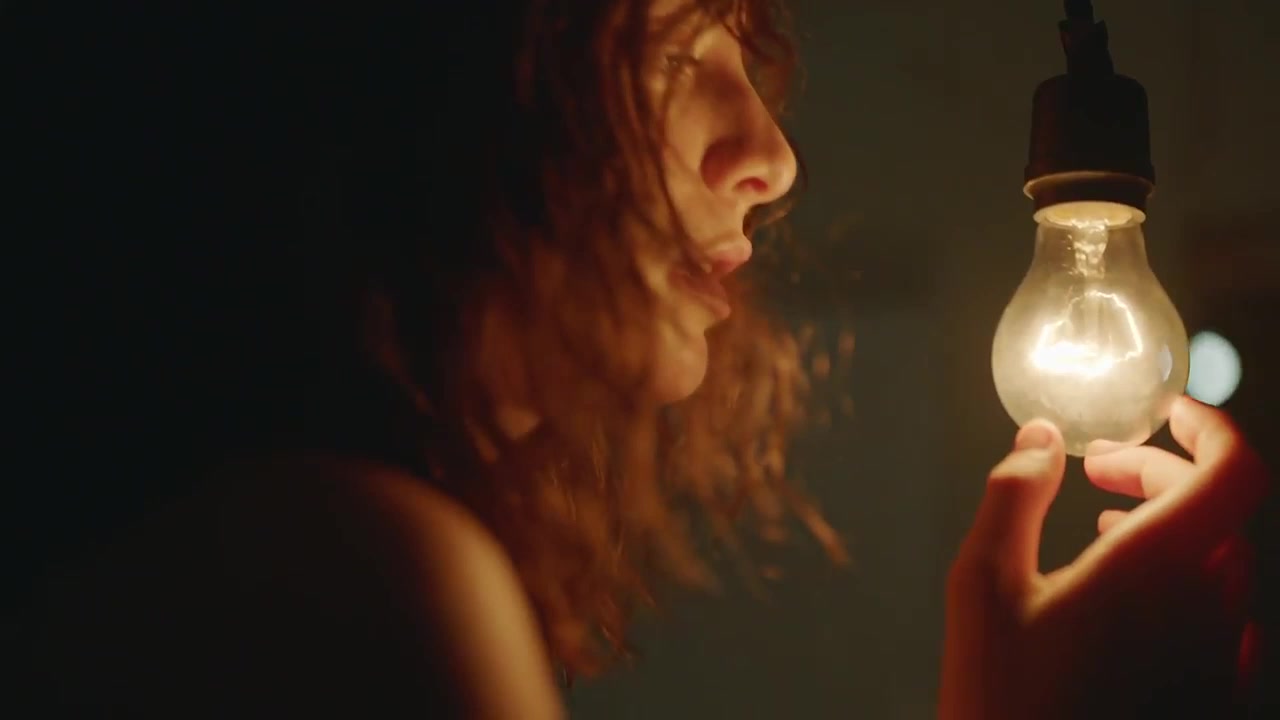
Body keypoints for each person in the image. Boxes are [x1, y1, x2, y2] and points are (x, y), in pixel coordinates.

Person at [2, 0, 1267, 717]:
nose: (770, 157)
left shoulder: (238, 548)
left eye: (741, 57)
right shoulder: (347, 575)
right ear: (431, 85)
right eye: (668, 54)